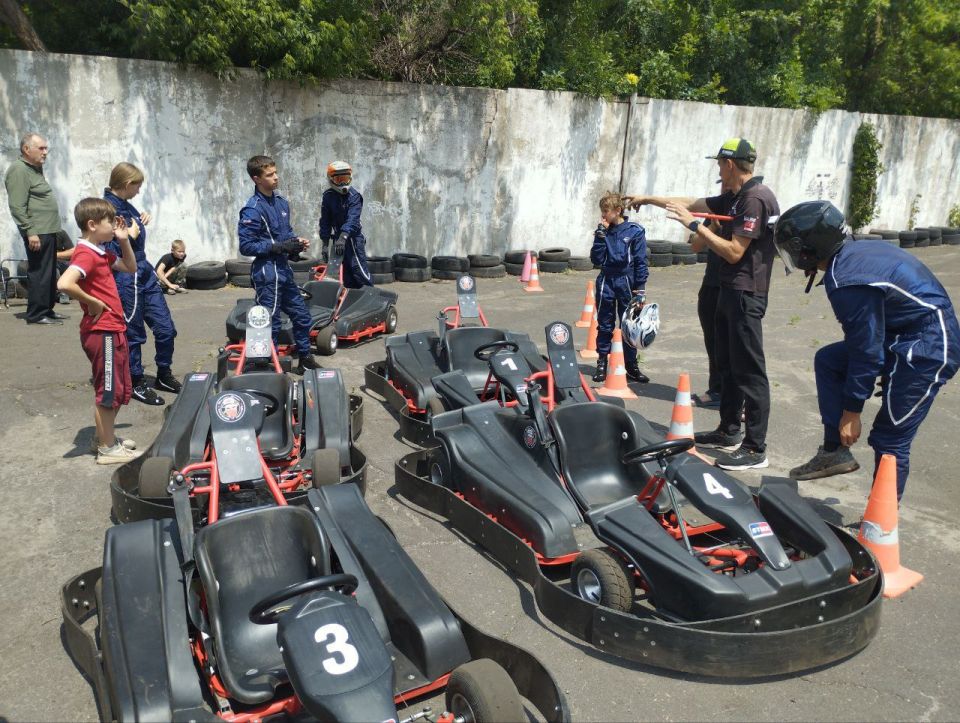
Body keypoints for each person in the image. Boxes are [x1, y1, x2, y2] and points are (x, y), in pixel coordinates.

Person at [774, 201, 960, 499]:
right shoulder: (850, 253)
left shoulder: (845, 280)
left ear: (808, 247)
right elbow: (868, 345)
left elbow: (866, 350)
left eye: (793, 250)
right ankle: (835, 452)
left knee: (890, 439)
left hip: (927, 347)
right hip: (904, 334)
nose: (793, 258)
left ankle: (881, 526)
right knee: (829, 360)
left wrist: (852, 412)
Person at [624, 138, 780, 471]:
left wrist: (694, 225)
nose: (718, 170)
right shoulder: (736, 196)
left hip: (746, 293)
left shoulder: (754, 199)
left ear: (729, 164)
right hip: (729, 289)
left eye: (719, 164)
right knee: (728, 365)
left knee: (749, 371)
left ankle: (755, 448)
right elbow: (690, 201)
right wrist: (648, 199)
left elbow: (735, 252)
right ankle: (728, 430)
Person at [57, 198, 141, 464]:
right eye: (110, 221)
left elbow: (130, 267)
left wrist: (124, 239)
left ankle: (103, 438)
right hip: (102, 331)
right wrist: (94, 302)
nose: (115, 224)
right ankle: (107, 449)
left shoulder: (101, 251)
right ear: (92, 225)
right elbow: (64, 283)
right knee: (107, 392)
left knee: (115, 389)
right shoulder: (85, 254)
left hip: (112, 329)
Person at [104, 162, 180, 405]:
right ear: (127, 184)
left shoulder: (127, 206)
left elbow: (133, 227)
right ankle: (135, 381)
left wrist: (140, 218)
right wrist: (129, 237)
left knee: (166, 328)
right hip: (127, 276)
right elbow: (106, 249)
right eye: (137, 186)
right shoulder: (107, 210)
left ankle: (164, 374)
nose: (139, 190)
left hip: (144, 271)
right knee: (134, 333)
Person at [238, 155, 321, 374]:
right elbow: (246, 246)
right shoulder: (252, 209)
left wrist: (296, 245)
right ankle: (271, 370)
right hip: (266, 273)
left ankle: (305, 359)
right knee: (272, 323)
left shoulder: (281, 203)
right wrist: (280, 247)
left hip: (283, 269)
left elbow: (286, 235)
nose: (276, 177)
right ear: (256, 179)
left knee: (302, 317)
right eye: (270, 175)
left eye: (276, 172)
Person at [4, 132, 68, 325]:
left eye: (46, 148)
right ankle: (36, 313)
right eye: (41, 148)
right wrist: (30, 231)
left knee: (49, 272)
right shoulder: (19, 170)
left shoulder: (34, 168)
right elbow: (17, 205)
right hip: (37, 231)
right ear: (26, 149)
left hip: (47, 229)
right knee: (40, 271)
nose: (45, 152)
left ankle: (47, 309)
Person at [589, 191, 649, 384]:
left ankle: (631, 365)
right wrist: (599, 237)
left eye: (606, 211)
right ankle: (602, 363)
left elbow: (640, 261)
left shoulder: (635, 231)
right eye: (602, 211)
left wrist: (640, 289)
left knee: (629, 325)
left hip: (626, 282)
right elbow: (596, 259)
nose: (603, 215)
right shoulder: (603, 231)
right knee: (605, 323)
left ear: (618, 210)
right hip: (606, 280)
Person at [319, 161, 373, 288]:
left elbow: (353, 219)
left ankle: (370, 296)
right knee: (343, 273)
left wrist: (343, 237)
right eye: (339, 179)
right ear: (331, 179)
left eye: (345, 178)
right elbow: (325, 221)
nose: (343, 183)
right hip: (338, 239)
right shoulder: (328, 196)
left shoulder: (354, 196)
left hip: (353, 239)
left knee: (358, 270)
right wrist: (325, 244)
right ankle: (350, 302)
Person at [55, 230, 75, 304]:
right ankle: (61, 292)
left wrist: (54, 255)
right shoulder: (36, 233)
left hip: (62, 262)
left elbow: (72, 251)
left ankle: (62, 292)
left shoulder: (60, 232)